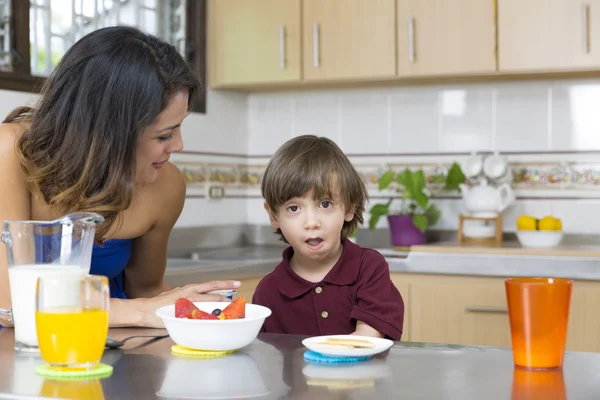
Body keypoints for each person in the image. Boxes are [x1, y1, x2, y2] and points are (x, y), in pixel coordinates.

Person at [0, 26, 240, 328]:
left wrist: (202, 313)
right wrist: (141, 311)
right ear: (107, 132)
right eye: (164, 135)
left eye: (178, 128)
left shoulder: (167, 186)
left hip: (115, 342)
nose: (178, 145)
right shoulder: (12, 152)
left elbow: (147, 290)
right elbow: (10, 307)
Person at [252, 135, 404, 340]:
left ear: (350, 208)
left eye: (325, 204)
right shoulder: (268, 292)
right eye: (294, 208)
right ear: (273, 216)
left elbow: (367, 338)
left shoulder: (369, 268)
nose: (311, 222)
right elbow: (265, 359)